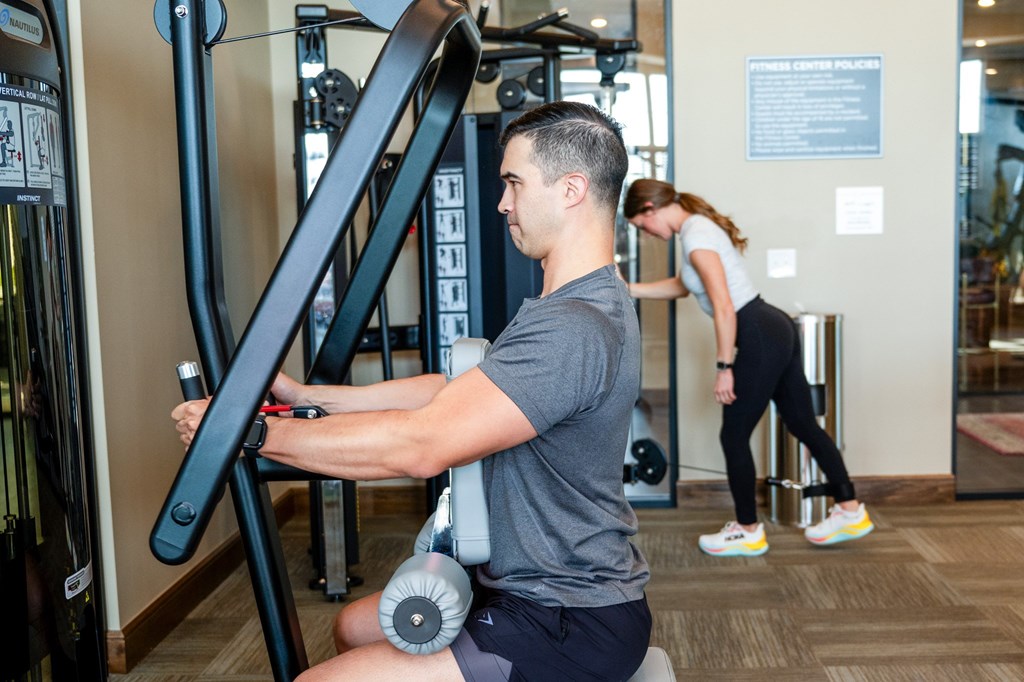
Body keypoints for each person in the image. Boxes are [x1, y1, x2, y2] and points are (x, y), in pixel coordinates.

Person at [173, 101, 651, 680]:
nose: (503, 203)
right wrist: (309, 396)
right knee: (353, 626)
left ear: (571, 189)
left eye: (514, 183)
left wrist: (249, 433)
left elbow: (420, 445)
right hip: (529, 583)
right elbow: (455, 391)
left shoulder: (572, 327)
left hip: (566, 616)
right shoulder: (584, 303)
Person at [623, 179, 873, 557]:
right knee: (803, 424)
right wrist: (631, 289)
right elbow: (684, 286)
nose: (649, 234)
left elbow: (723, 306)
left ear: (650, 209)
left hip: (756, 331)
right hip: (772, 325)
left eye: (643, 227)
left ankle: (747, 529)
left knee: (733, 435)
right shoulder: (696, 230)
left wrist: (725, 366)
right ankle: (850, 508)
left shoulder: (695, 236)